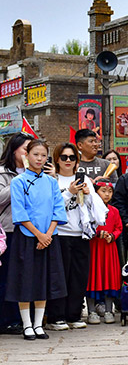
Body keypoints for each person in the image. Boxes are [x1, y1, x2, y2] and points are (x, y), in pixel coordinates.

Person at [5, 140, 67, 341]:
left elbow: (58, 209)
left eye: (43, 155)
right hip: (26, 237)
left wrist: (47, 234)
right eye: (35, 155)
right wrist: (38, 234)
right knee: (25, 280)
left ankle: (39, 324)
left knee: (44, 280)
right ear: (27, 156)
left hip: (49, 237)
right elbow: (20, 213)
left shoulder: (51, 182)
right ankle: (27, 324)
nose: (39, 159)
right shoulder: (18, 181)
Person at [46, 142, 108, 331]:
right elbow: (50, 208)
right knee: (60, 276)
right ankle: (56, 317)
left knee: (78, 276)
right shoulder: (51, 180)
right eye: (64, 157)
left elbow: (99, 212)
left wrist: (88, 195)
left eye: (72, 157)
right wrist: (69, 193)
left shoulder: (84, 180)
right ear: (57, 159)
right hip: (59, 234)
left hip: (81, 234)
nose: (68, 161)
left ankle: (74, 314)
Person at [0, 132, 33, 335]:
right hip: (9, 231)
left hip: (32, 231)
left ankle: (27, 319)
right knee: (6, 277)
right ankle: (6, 319)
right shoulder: (3, 172)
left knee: (25, 277)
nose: (30, 155)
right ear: (14, 150)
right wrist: (19, 181)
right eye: (25, 150)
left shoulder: (39, 172)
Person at [87, 181, 123, 323]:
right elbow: (86, 225)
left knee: (109, 276)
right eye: (103, 190)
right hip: (94, 247)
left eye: (109, 191)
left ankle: (109, 310)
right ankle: (91, 311)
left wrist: (112, 235)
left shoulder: (114, 211)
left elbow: (118, 227)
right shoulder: (90, 209)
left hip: (109, 248)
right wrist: (97, 233)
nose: (107, 194)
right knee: (93, 277)